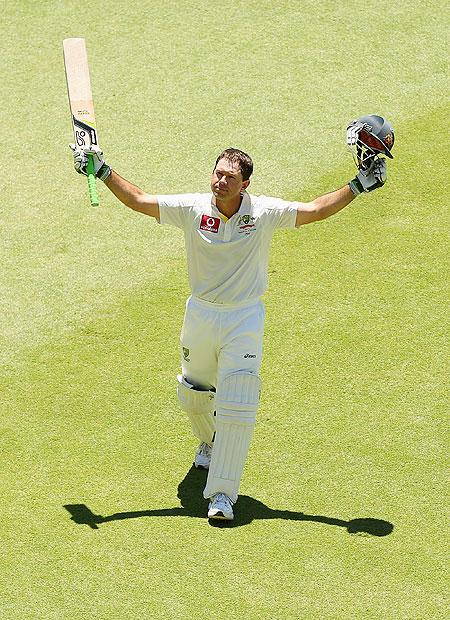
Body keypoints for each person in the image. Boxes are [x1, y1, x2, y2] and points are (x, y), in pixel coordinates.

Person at [70, 114, 394, 521]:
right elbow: (139, 200)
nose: (220, 181)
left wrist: (358, 186)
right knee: (192, 395)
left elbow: (313, 210)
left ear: (245, 184)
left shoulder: (262, 213)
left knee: (238, 402)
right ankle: (210, 443)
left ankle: (221, 495)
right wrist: (100, 169)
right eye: (217, 173)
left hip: (244, 319)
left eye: (229, 177)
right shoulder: (191, 208)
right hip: (201, 315)